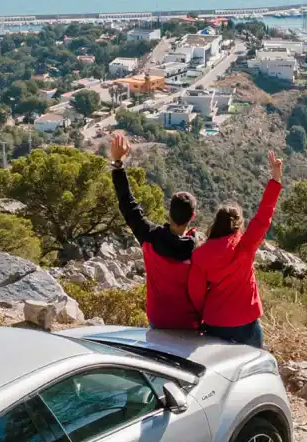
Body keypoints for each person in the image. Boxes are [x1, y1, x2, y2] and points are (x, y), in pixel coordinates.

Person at [185, 151, 283, 348]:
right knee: (251, 365)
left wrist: (205, 313)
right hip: (246, 322)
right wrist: (276, 178)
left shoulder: (200, 255)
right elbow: (263, 217)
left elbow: (196, 293)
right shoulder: (245, 246)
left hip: (215, 322)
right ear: (238, 225)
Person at [107, 131, 201, 329]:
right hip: (189, 323)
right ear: (192, 217)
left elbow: (127, 204)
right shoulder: (198, 251)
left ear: (169, 213)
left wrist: (118, 164)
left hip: (158, 319)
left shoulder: (150, 236)